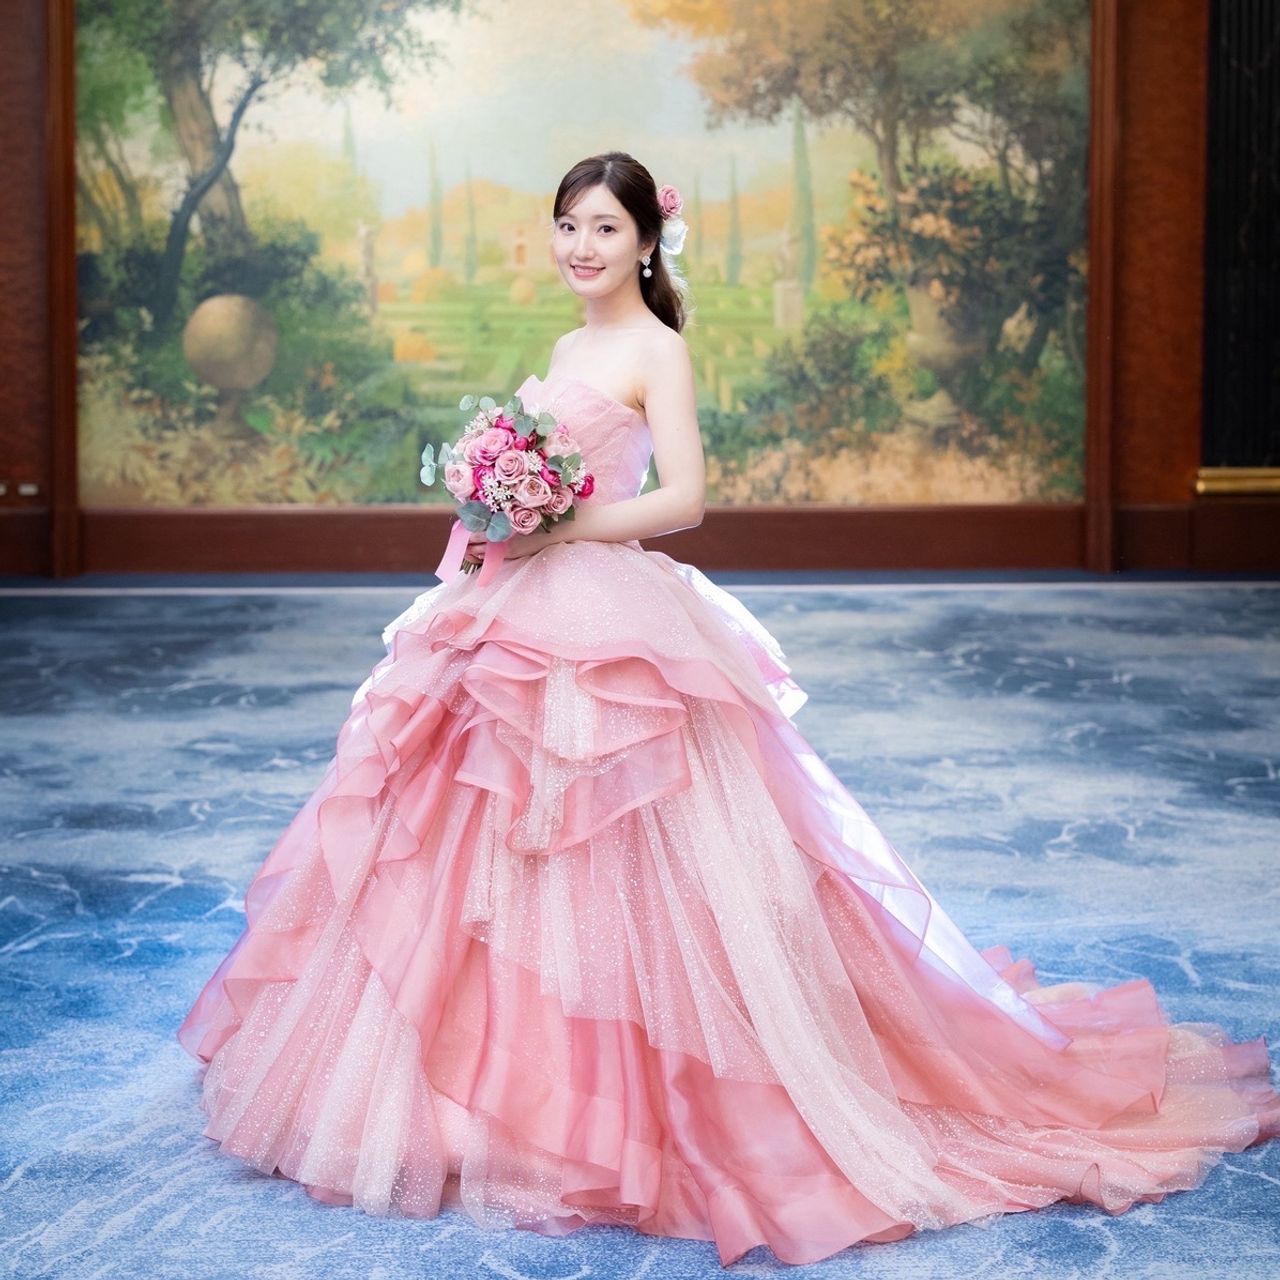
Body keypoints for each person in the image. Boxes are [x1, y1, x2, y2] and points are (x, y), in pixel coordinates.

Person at [177, 150, 1279, 1269]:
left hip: (601, 605)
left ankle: (639, 1101)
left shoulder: (658, 349)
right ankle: (489, 1088)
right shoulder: (564, 347)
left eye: (604, 229)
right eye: (568, 226)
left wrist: (558, 522)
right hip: (519, 597)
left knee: (627, 839)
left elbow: (686, 498)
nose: (581, 247)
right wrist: (498, 517)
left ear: (646, 242)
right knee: (473, 828)